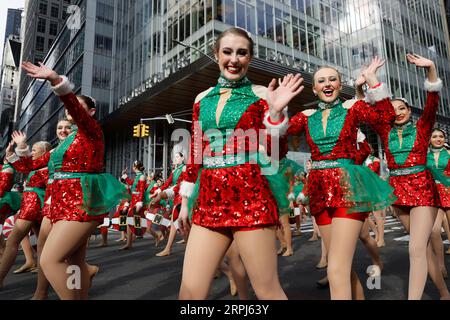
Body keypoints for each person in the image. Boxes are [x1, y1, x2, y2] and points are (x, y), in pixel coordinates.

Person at [177, 27, 304, 300]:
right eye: (227, 52)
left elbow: (276, 155)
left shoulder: (262, 95)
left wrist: (275, 114)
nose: (234, 59)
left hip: (251, 196)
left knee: (267, 290)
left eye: (241, 53)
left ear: (250, 58)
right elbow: (197, 150)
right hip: (209, 198)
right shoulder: (201, 98)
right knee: (189, 293)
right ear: (216, 55)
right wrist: (185, 200)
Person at [279, 57, 396, 299]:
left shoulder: (351, 108)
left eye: (332, 79)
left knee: (336, 269)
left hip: (347, 186)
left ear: (340, 85)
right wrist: (276, 108)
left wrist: (372, 80)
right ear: (314, 88)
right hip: (319, 190)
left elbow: (385, 120)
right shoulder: (305, 115)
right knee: (340, 267)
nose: (327, 83)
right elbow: (275, 143)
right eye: (321, 80)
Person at [20, 61, 127, 299]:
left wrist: (57, 82)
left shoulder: (92, 131)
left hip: (80, 204)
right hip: (58, 206)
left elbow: (75, 108)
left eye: (79, 107)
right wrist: (19, 151)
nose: (73, 109)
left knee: (49, 259)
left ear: (89, 113)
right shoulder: (65, 143)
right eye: (72, 107)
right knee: (76, 263)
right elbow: (30, 166)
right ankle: (80, 293)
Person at [373, 54, 449, 299]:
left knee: (415, 248)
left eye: (402, 108)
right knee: (423, 252)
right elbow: (380, 105)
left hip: (423, 190)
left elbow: (432, 100)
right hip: (398, 191)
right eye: (393, 110)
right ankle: (443, 291)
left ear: (409, 110)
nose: (398, 113)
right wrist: (372, 77)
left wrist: (431, 70)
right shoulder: (385, 130)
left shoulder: (423, 127)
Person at [0, 138, 51, 289]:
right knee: (39, 244)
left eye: (35, 150)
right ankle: (41, 283)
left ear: (44, 153)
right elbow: (23, 166)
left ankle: (1, 278)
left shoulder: (45, 167)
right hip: (31, 206)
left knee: (13, 241)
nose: (32, 152)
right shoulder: (37, 166)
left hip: (33, 207)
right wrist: (10, 153)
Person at [427, 128, 450, 279]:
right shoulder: (424, 157)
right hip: (433, 195)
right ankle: (441, 265)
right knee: (434, 230)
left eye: (441, 136)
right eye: (434, 136)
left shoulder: (449, 154)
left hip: (449, 192)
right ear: (429, 139)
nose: (438, 139)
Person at [119, 161, 147, 250]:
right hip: (134, 200)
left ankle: (157, 236)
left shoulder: (142, 176)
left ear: (135, 167)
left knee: (143, 222)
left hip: (138, 201)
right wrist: (125, 176)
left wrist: (139, 202)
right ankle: (129, 243)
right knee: (130, 220)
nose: (132, 167)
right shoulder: (137, 176)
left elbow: (142, 190)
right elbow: (131, 183)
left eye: (133, 166)